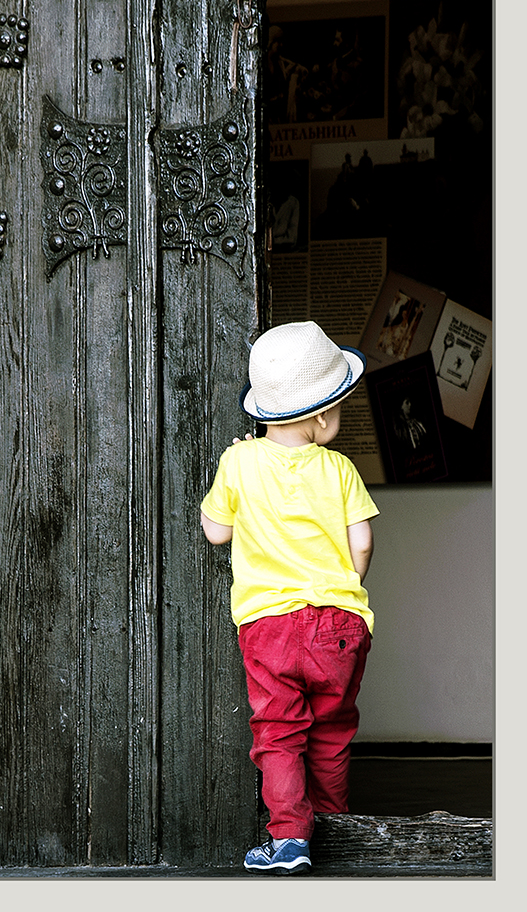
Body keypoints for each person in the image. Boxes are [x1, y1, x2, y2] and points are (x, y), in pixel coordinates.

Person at [199, 321, 379, 875]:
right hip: (339, 625)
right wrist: (345, 587)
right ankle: (335, 829)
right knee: (330, 731)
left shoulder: (239, 461)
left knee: (279, 733)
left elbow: (215, 532)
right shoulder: (342, 468)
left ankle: (290, 840)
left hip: (269, 626)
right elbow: (363, 541)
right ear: (323, 415)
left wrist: (236, 473)